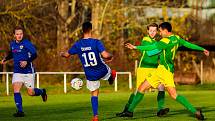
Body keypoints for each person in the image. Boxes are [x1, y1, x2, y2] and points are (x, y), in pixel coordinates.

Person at [121, 22, 209, 120]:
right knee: (142, 88)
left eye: (160, 31)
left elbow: (151, 48)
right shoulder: (176, 38)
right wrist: (202, 49)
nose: (160, 33)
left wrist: (135, 47)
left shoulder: (165, 41)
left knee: (173, 94)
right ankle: (130, 111)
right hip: (162, 70)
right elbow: (188, 44)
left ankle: (195, 111)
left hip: (165, 71)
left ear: (166, 31)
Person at [60, 21, 116, 121]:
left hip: (90, 74)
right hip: (101, 70)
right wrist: (111, 56)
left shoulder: (78, 44)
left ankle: (95, 116)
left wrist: (62, 54)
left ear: (82, 31)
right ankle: (111, 77)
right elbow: (105, 55)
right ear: (91, 30)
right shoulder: (96, 42)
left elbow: (67, 55)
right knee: (107, 69)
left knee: (94, 93)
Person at [116, 23, 169, 117]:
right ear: (147, 31)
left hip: (154, 69)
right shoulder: (146, 39)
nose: (152, 32)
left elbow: (161, 55)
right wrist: (162, 48)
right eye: (150, 30)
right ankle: (127, 109)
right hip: (144, 68)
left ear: (157, 31)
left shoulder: (159, 41)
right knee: (138, 91)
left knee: (161, 86)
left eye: (154, 30)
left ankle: (161, 109)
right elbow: (149, 53)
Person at [1, 26, 47, 117]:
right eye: (17, 34)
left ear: (23, 34)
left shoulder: (27, 43)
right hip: (17, 71)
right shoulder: (12, 44)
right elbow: (12, 54)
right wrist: (5, 59)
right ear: (14, 35)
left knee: (31, 93)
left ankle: (42, 91)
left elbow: (35, 54)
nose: (19, 36)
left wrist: (27, 61)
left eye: (21, 34)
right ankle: (20, 111)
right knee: (16, 89)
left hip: (28, 71)